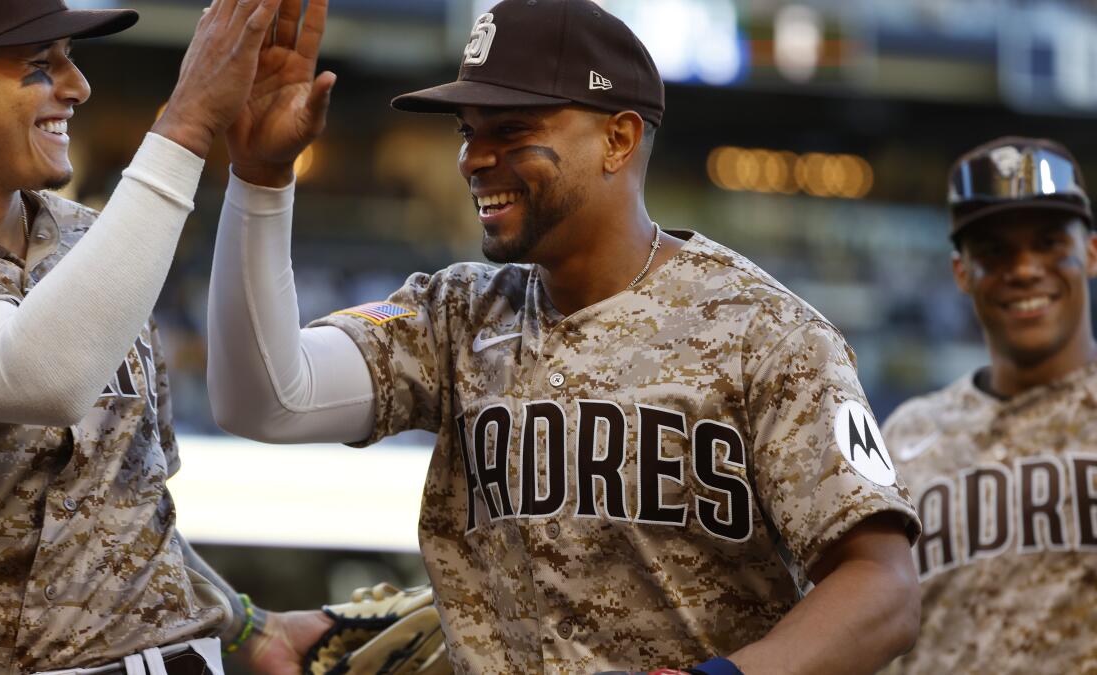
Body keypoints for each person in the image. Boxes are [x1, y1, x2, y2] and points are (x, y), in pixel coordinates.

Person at [207, 0, 923, 672]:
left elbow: (882, 585)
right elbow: (266, 399)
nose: (473, 158)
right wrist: (261, 178)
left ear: (618, 138)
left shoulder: (767, 333)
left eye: (512, 130)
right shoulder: (455, 313)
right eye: (468, 131)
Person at [0, 0, 337, 672]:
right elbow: (37, 374)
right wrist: (186, 121)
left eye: (72, 57)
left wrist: (246, 622)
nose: (77, 86)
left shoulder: (93, 239)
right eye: (42, 66)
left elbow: (130, 502)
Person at [883, 137, 1097, 673]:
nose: (1024, 269)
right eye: (995, 251)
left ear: (1091, 252)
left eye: (1049, 242)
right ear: (961, 271)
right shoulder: (907, 436)